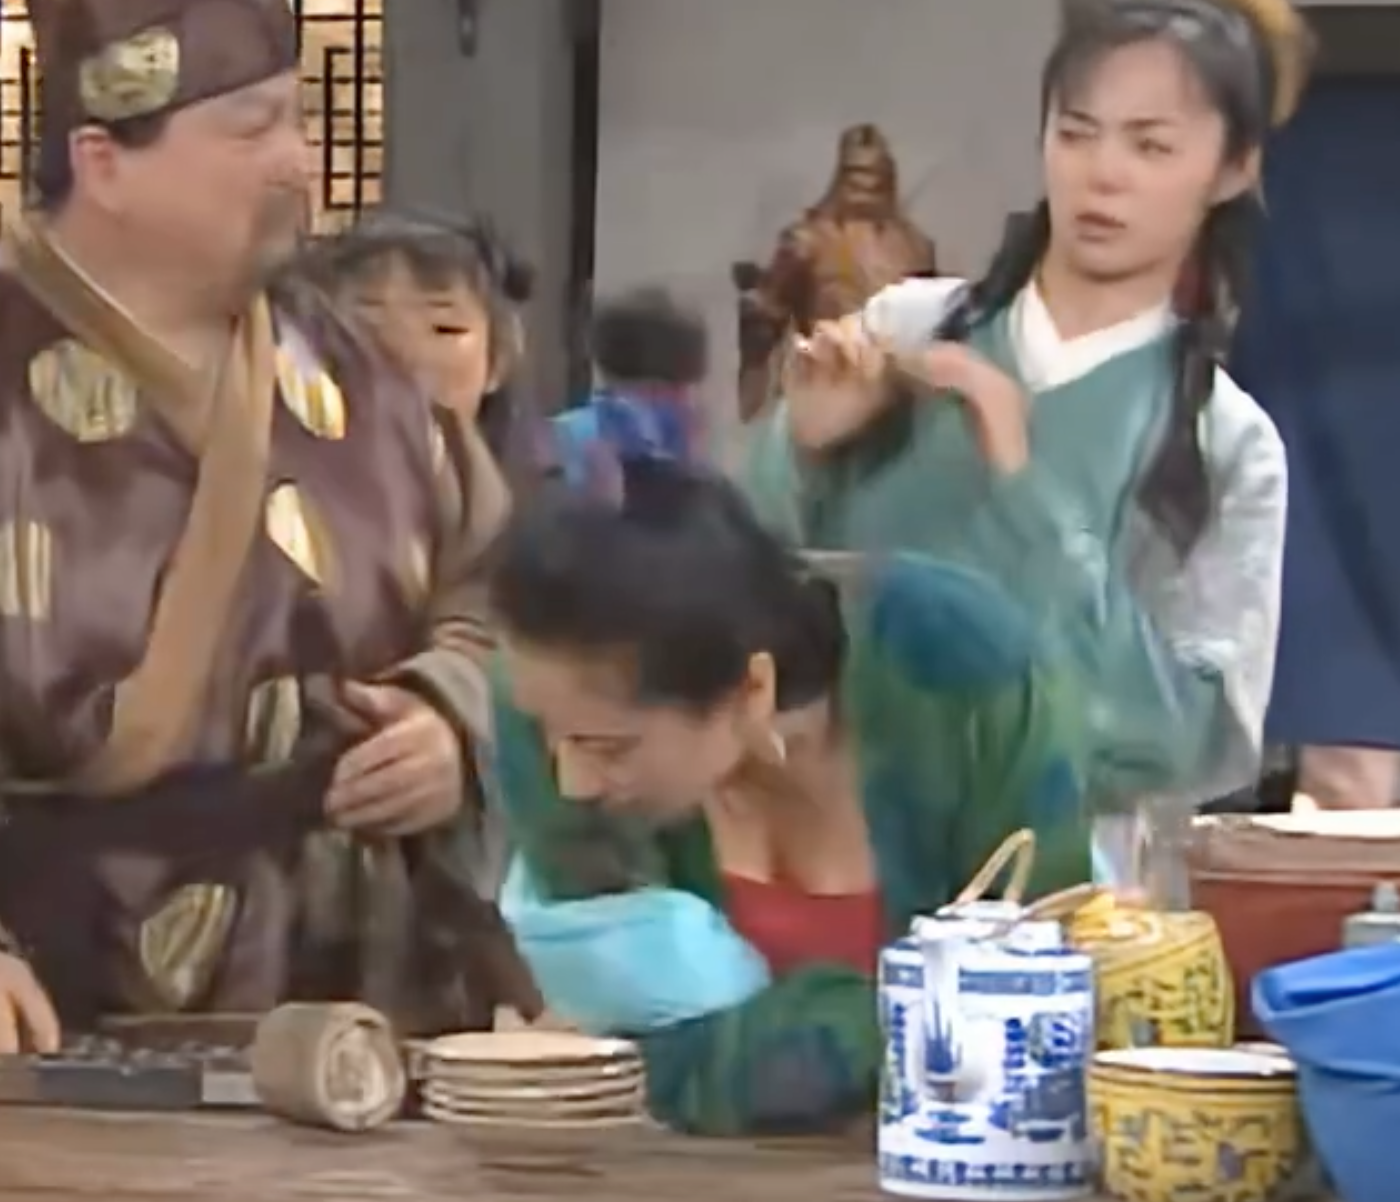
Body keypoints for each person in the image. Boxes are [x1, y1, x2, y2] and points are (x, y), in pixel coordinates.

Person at [0, 0, 540, 1052]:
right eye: (252, 129)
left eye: (298, 121)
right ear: (104, 162)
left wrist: (451, 720)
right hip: (65, 1004)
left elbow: (500, 585)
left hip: (373, 993)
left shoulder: (353, 368)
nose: (299, 160)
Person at [744, 0, 1310, 864]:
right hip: (828, 853)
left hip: (1052, 883)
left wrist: (1023, 483)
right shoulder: (906, 331)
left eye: (1151, 146)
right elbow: (735, 596)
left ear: (1233, 169)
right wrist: (802, 453)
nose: (1103, 175)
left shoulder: (1226, 443)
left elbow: (1181, 745)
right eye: (1077, 133)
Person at [486, 454, 1091, 1134]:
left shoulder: (963, 676)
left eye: (609, 748)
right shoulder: (553, 699)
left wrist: (703, 1059)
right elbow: (598, 1043)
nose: (569, 782)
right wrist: (896, 1021)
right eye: (547, 734)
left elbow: (1036, 1012)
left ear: (752, 689)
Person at [299, 207, 534, 478]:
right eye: (368, 327)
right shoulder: (282, 483)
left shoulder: (542, 495)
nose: (405, 352)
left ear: (498, 362)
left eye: (444, 329)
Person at [551, 287, 708, 488]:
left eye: (686, 388)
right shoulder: (565, 439)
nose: (685, 401)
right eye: (667, 389)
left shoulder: (687, 442)